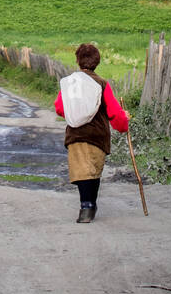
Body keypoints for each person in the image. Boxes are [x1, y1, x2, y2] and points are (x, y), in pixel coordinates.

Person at [54, 42, 129, 223]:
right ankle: (89, 206)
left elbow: (59, 107)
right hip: (97, 136)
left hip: (75, 135)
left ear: (78, 61)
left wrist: (74, 113)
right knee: (93, 172)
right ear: (97, 62)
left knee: (81, 171)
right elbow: (114, 113)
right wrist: (124, 123)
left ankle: (85, 205)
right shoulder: (102, 84)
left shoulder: (71, 82)